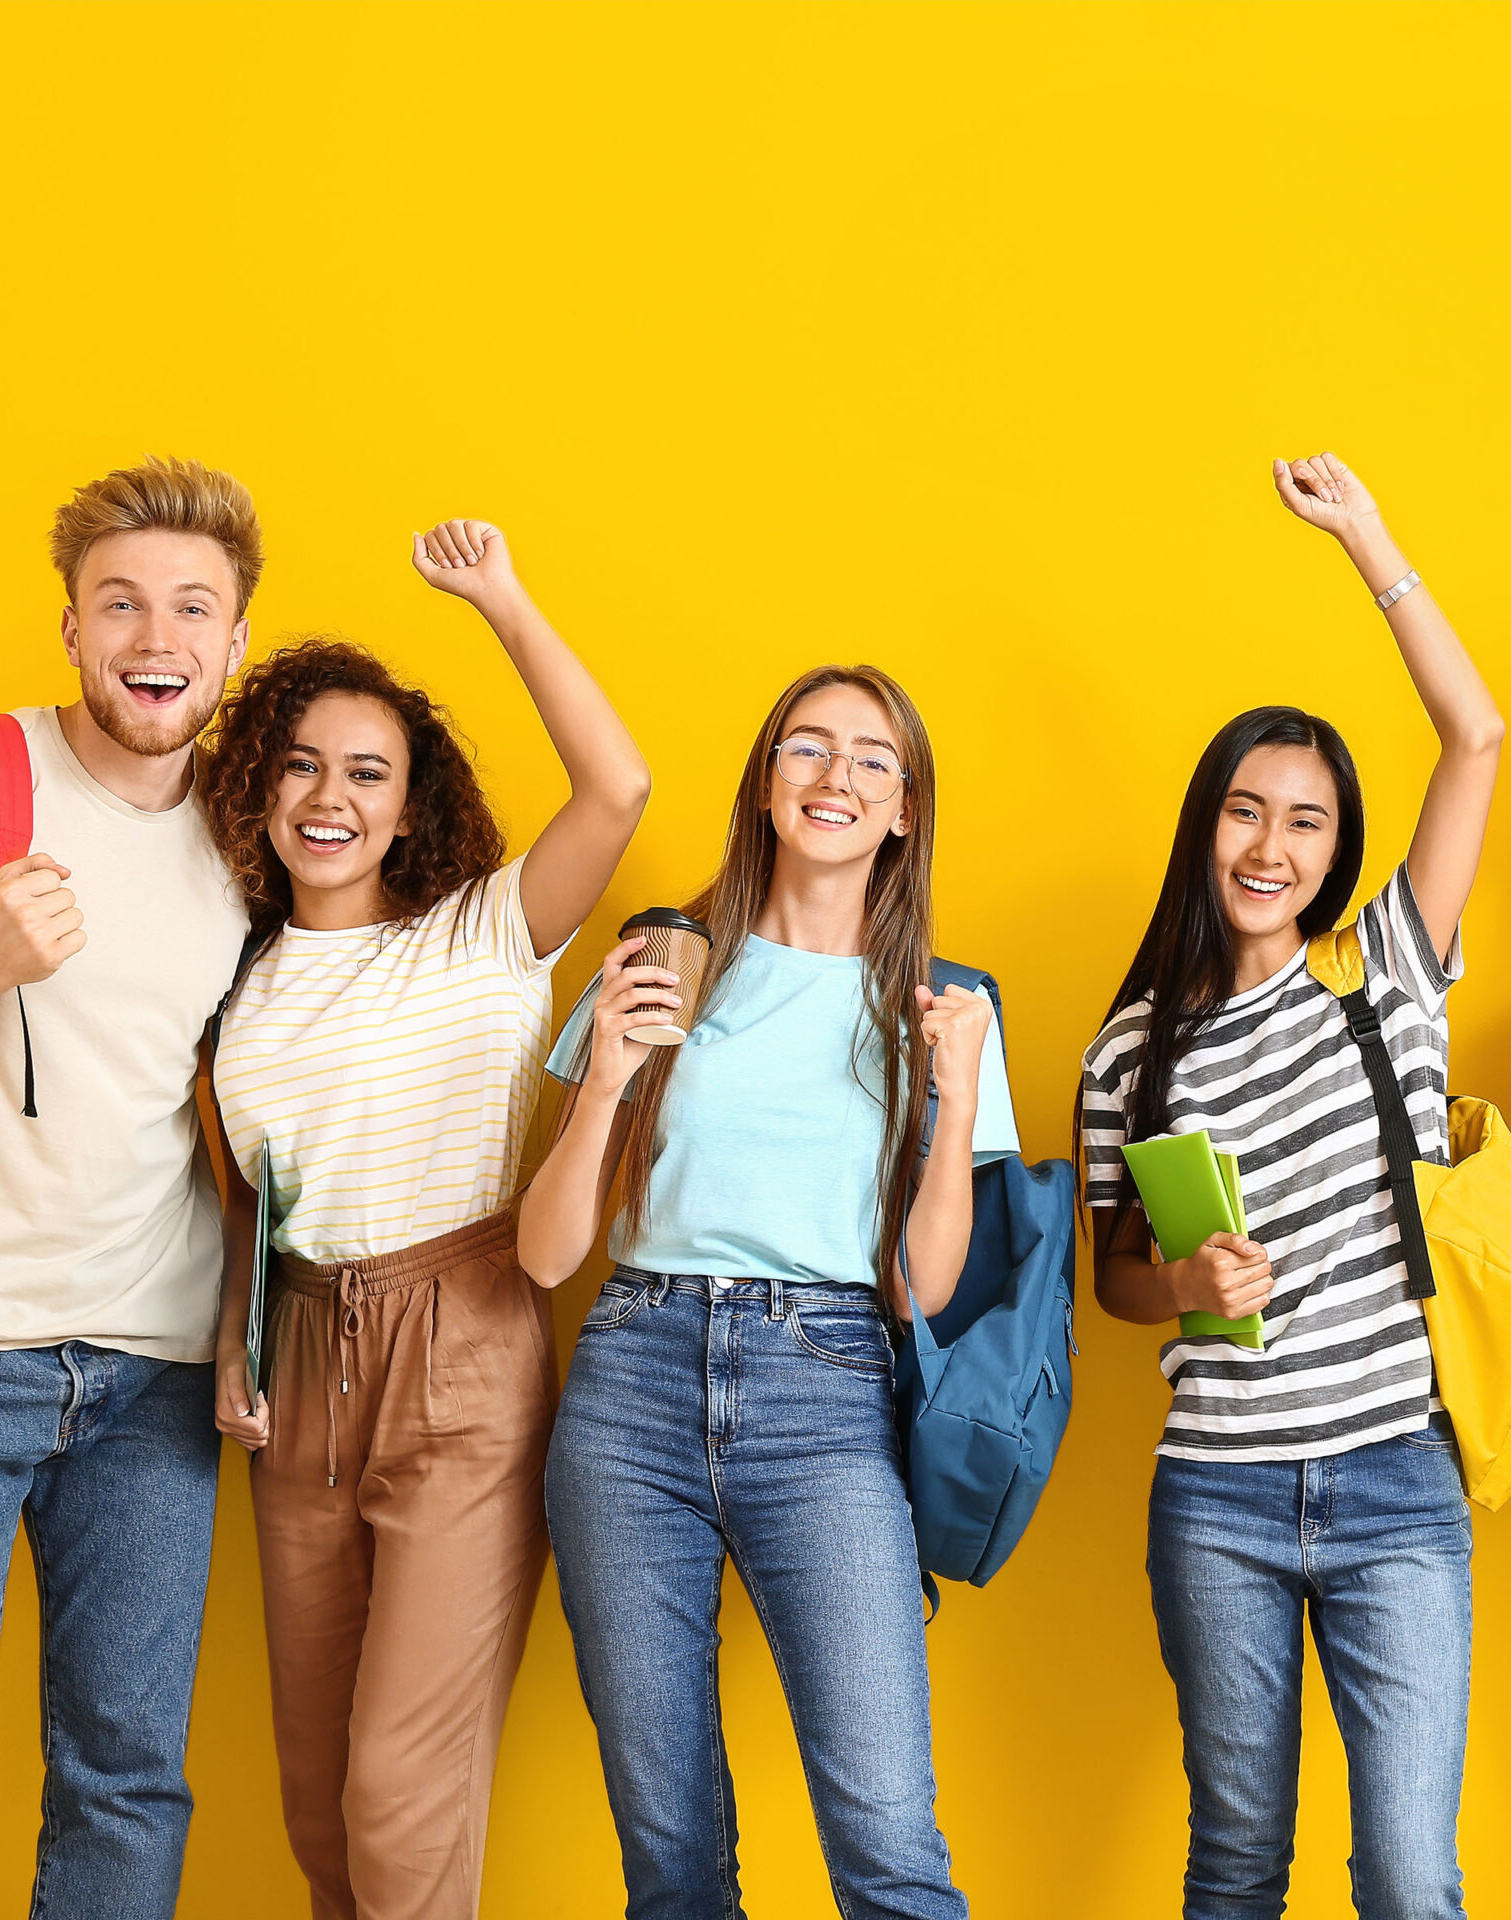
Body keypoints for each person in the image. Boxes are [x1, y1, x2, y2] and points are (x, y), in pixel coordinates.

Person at [1078, 454, 1503, 1919]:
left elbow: (1477, 735)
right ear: (1207, 825)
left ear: (1337, 850)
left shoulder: (1384, 974)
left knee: (1406, 1876)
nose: (1272, 846)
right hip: (1217, 1497)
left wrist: (1369, 543)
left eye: (1306, 821)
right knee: (1236, 1865)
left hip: (1395, 1482)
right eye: (1247, 812)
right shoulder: (1130, 1051)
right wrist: (1186, 1285)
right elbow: (1113, 1279)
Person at [205, 517, 649, 1920]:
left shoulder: (482, 935)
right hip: (301, 1373)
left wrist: (502, 600)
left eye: (367, 773)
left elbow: (619, 786)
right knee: (320, 1806)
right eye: (301, 765)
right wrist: (237, 1337)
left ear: (410, 807)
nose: (329, 796)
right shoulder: (239, 976)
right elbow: (245, 1193)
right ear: (262, 792)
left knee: (401, 1801)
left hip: (460, 1359)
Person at [519, 663, 985, 1920]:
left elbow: (920, 1286)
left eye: (872, 760)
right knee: (670, 1855)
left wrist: (958, 1102)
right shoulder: (663, 961)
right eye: (806, 749)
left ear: (904, 810)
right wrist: (609, 1069)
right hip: (630, 1380)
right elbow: (548, 1256)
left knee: (887, 1839)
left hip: (825, 1390)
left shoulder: (945, 1008)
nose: (835, 777)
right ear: (766, 782)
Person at [0, 457, 262, 1919]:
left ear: (237, 639)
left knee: (127, 1773)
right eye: (119, 602)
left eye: (192, 606)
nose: (154, 636)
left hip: (150, 1374)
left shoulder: (247, 834)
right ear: (70, 625)